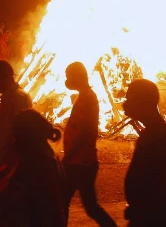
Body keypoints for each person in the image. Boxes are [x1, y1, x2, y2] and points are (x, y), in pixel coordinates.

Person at [0, 109, 66, 227]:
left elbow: (6, 201)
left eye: (16, 136)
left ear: (26, 137)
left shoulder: (34, 163)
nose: (13, 141)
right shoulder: (49, 155)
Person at [62, 62, 118, 227]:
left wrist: (69, 156)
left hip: (81, 162)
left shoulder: (88, 98)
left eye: (68, 76)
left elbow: (85, 131)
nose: (66, 80)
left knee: (84, 205)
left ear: (77, 77)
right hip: (80, 161)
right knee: (66, 200)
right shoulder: (84, 96)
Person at [122, 78, 166, 226]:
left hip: (153, 216)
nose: (125, 103)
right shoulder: (152, 131)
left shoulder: (157, 135)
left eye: (130, 98)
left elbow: (160, 181)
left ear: (143, 102)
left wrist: (142, 209)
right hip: (148, 212)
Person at [0, 60, 33, 170]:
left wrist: (8, 163)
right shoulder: (12, 96)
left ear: (2, 79)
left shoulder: (14, 98)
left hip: (7, 160)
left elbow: (20, 132)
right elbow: (11, 121)